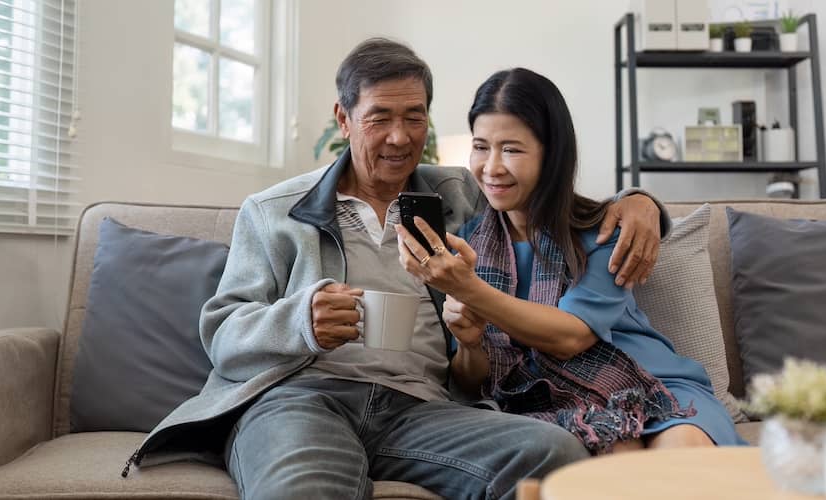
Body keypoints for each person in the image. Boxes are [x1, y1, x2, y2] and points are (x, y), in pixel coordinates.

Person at [125, 40, 671, 500]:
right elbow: (222, 334)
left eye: (414, 117)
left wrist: (641, 201)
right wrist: (299, 322)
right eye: (379, 117)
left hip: (422, 408)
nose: (400, 136)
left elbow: (546, 193)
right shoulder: (273, 212)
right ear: (343, 118)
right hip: (303, 397)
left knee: (556, 455)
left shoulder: (460, 194)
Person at [398, 67, 744, 454]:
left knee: (684, 451)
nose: (491, 167)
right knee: (614, 460)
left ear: (552, 155)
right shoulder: (468, 244)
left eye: (511, 149)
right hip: (549, 400)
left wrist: (469, 289)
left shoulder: (601, 230)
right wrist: (470, 344)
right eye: (481, 146)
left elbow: (570, 337)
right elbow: (470, 380)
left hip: (649, 382)